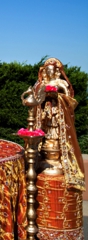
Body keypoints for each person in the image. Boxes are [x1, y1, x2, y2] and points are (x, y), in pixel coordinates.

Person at [34, 58, 85, 191]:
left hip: (58, 114)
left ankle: (58, 160)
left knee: (56, 136)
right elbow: (35, 98)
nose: (50, 72)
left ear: (56, 72)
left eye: (52, 70)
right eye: (47, 70)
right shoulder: (41, 83)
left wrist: (58, 94)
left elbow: (70, 101)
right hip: (46, 114)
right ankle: (45, 159)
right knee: (46, 136)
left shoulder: (61, 83)